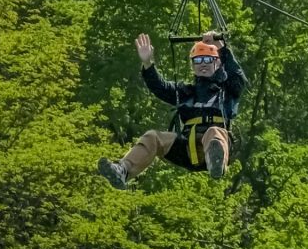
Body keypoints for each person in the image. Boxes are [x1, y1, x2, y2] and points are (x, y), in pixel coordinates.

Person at [97, 30, 246, 189]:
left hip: (216, 143)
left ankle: (215, 160)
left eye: (208, 59)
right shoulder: (185, 93)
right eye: (198, 60)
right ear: (193, 66)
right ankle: (123, 169)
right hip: (188, 147)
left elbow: (238, 77)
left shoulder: (227, 90)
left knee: (213, 132)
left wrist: (222, 48)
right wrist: (148, 63)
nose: (203, 63)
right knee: (152, 136)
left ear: (217, 63)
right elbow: (160, 87)